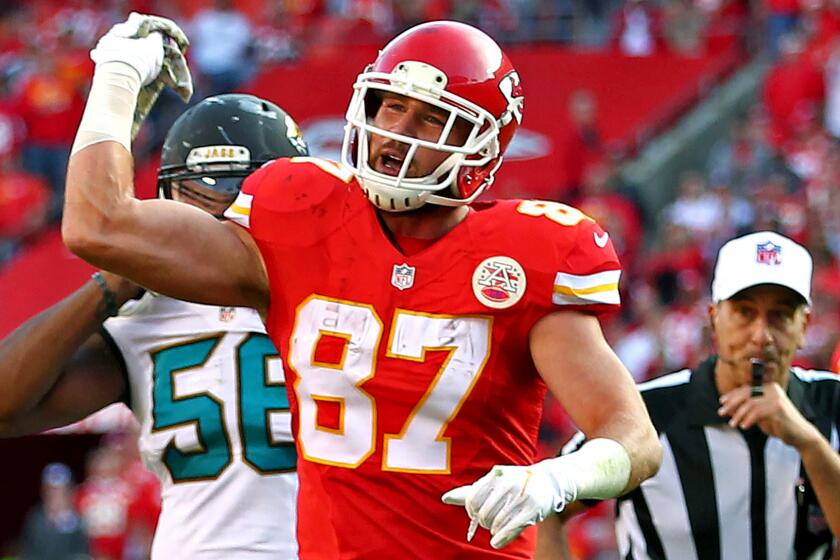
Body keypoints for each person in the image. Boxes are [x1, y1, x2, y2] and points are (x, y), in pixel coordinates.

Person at [61, 15, 662, 558]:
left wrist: (558, 478)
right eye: (389, 106)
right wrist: (116, 75)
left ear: (483, 145)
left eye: (433, 118)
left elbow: (634, 439)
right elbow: (98, 224)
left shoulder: (523, 256)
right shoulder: (301, 219)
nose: (398, 132)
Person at [0, 93, 309, 559]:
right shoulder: (149, 313)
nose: (212, 217)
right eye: (193, 194)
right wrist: (111, 286)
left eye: (230, 193)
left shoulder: (337, 291)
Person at [538, 231, 840, 560]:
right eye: (744, 312)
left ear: (805, 325)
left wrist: (809, 444)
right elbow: (545, 505)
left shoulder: (833, 403)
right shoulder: (645, 412)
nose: (761, 335)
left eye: (780, 315)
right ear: (713, 318)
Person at [19, 462, 90, 560]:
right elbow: (28, 551)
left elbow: (82, 553)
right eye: (51, 491)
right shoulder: (35, 519)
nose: (55, 496)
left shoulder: (78, 521)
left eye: (61, 491)